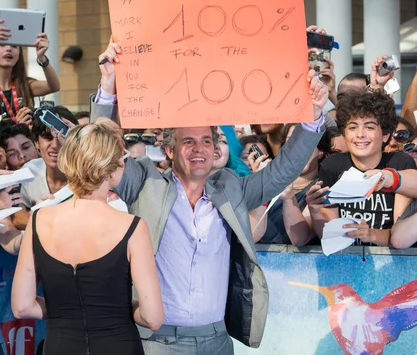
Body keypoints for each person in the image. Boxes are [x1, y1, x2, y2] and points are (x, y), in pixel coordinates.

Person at [92, 39, 327, 353]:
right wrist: (108, 87)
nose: (199, 149)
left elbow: (281, 172)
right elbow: (98, 152)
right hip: (158, 342)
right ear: (169, 149)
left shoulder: (231, 188)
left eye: (207, 140)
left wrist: (311, 119)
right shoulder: (144, 182)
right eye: (188, 141)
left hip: (217, 342)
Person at [12, 118, 163, 354]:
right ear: (114, 167)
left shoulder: (38, 219)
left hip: (60, 346)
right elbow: (152, 317)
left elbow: (22, 307)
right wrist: (115, 308)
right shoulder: (132, 227)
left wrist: (69, 310)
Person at [311, 92, 416, 246]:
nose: (360, 135)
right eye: (352, 127)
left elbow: (401, 233)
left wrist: (371, 234)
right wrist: (314, 211)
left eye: (369, 127)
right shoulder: (331, 166)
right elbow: (330, 235)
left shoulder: (401, 163)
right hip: (346, 258)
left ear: (386, 135)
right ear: (344, 134)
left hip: (392, 259)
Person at [0, 20, 61, 136]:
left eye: (14, 46)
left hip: (22, 148)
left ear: (19, 54)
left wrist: (42, 58)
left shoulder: (25, 85)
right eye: (2, 44)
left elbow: (54, 86)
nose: (9, 48)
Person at [20, 106, 78, 209]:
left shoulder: (87, 174)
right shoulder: (29, 172)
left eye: (62, 136)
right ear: (36, 142)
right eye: (48, 137)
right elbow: (17, 217)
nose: (55, 145)